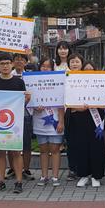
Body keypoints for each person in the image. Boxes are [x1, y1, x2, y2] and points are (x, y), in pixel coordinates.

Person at [0, 52, 31, 194]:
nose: (5, 66)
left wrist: (27, 99)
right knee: (0, 153)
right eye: (2, 64)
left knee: (16, 152)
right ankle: (1, 181)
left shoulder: (19, 82)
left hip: (15, 123)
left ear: (12, 64)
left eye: (8, 63)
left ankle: (19, 182)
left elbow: (22, 103)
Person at [64, 54, 105, 186]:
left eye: (91, 69)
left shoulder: (101, 81)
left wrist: (96, 104)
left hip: (95, 117)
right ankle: (83, 174)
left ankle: (96, 176)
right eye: (86, 69)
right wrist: (77, 108)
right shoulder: (74, 81)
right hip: (79, 117)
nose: (88, 71)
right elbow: (67, 100)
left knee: (96, 146)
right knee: (81, 146)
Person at [33, 58, 64, 187]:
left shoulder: (59, 82)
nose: (45, 69)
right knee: (43, 149)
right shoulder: (32, 82)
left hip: (55, 120)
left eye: (48, 66)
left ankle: (55, 176)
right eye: (43, 66)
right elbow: (29, 101)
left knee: (55, 149)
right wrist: (34, 106)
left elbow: (62, 104)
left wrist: (61, 122)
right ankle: (44, 175)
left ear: (53, 68)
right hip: (40, 119)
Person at [12, 51, 36, 182]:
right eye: (17, 59)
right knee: (11, 144)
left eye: (22, 60)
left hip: (27, 113)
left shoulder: (32, 77)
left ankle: (26, 169)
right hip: (11, 115)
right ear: (13, 62)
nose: (19, 62)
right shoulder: (8, 75)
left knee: (26, 144)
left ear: (26, 62)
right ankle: (13, 169)